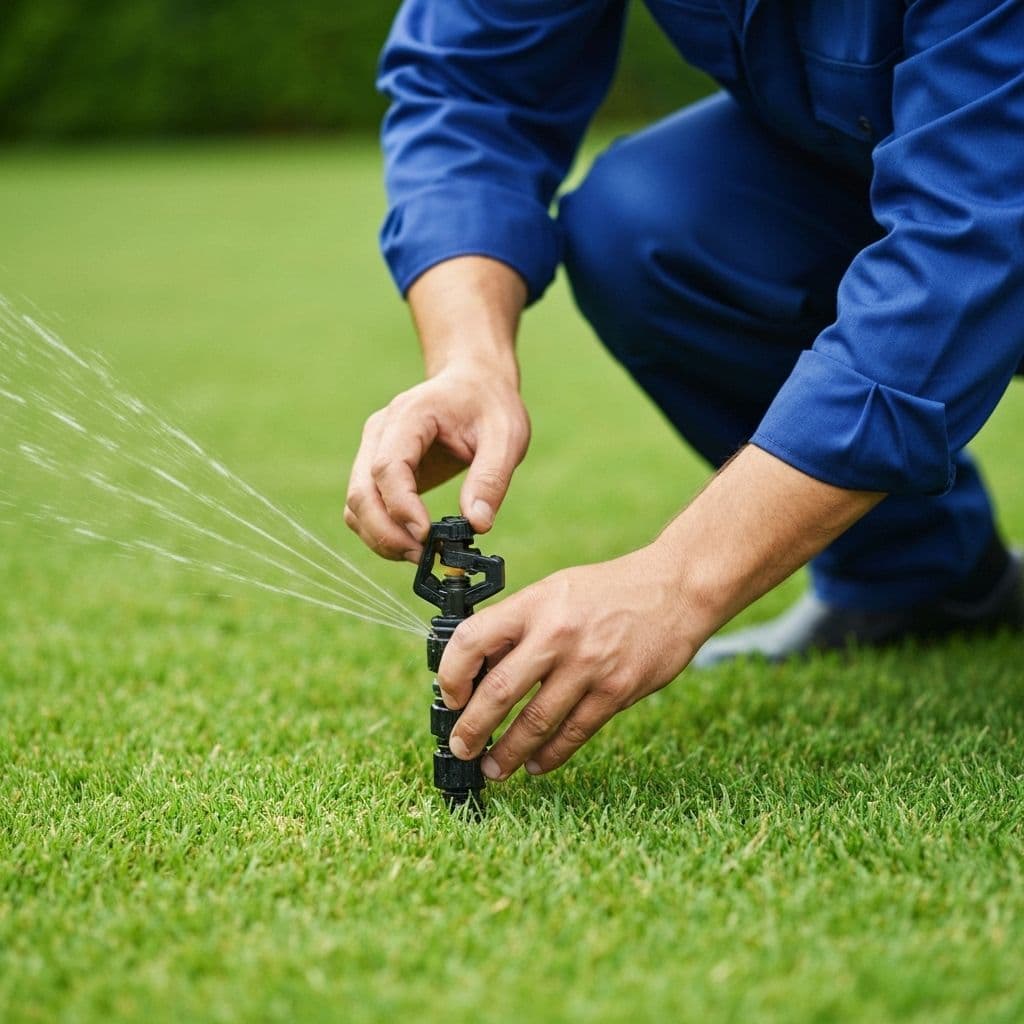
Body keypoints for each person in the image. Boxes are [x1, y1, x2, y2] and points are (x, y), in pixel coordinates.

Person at [345, 1, 1024, 783]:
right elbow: (469, 89)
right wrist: (471, 360)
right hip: (888, 172)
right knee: (646, 222)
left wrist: (680, 579)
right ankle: (919, 585)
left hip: (992, 187)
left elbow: (967, 249)